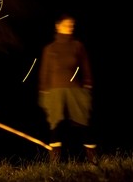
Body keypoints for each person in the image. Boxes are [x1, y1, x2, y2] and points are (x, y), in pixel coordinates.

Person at [38, 14, 98, 164]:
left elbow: (86, 68)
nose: (70, 27)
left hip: (76, 90)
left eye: (72, 25)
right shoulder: (50, 48)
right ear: (58, 26)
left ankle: (93, 160)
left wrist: (87, 87)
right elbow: (44, 71)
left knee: (83, 122)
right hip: (55, 91)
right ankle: (55, 163)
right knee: (56, 124)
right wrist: (43, 92)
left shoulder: (77, 46)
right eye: (66, 24)